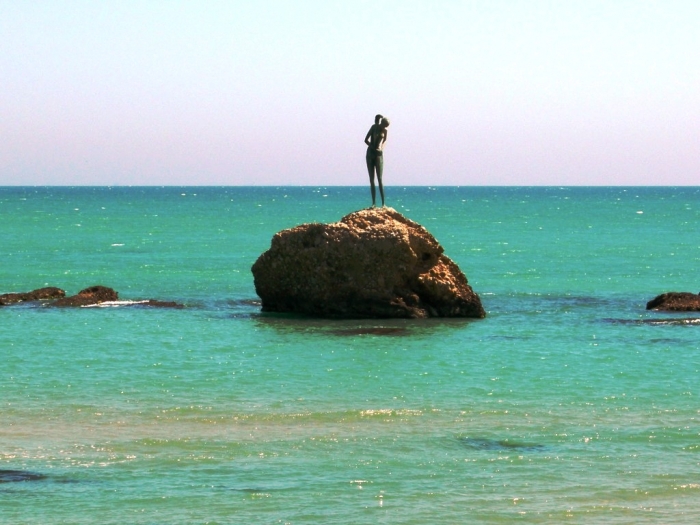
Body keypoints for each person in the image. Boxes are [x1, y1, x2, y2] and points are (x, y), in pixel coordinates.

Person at [364, 114, 390, 207]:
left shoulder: (385, 131)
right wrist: (372, 146)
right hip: (370, 154)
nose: (384, 127)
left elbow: (385, 141)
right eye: (383, 125)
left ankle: (383, 204)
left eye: (385, 126)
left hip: (379, 155)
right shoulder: (374, 127)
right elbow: (366, 140)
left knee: (380, 178)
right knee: (372, 179)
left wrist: (381, 148)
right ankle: (374, 203)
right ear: (381, 122)